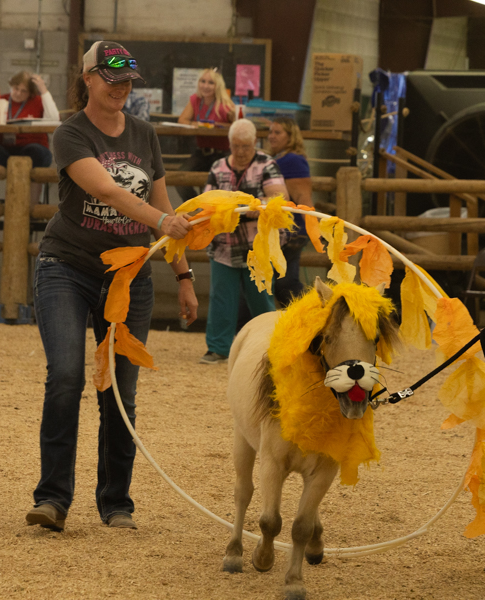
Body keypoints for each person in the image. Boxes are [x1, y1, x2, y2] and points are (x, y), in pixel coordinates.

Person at [25, 41, 198, 532]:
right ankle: (53, 499)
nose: (120, 88)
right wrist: (163, 220)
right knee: (66, 377)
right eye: (111, 79)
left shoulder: (145, 133)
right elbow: (108, 190)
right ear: (88, 80)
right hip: (67, 267)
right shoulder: (70, 134)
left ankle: (116, 502)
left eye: (126, 81)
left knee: (121, 391)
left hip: (130, 276)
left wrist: (183, 276)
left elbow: (162, 199)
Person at [200, 118, 288, 365]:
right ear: (229, 144)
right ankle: (218, 348)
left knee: (260, 296)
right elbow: (207, 201)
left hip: (257, 245)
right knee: (221, 297)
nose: (240, 152)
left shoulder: (267, 164)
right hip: (224, 245)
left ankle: (268, 348)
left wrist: (258, 206)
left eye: (245, 147)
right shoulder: (218, 167)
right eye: (236, 146)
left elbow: (279, 197)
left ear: (254, 144)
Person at [0, 71, 59, 204]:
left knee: (35, 153)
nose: (18, 93)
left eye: (24, 91)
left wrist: (43, 90)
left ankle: (31, 209)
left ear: (31, 93)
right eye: (16, 89)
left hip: (32, 147)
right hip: (3, 148)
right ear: (11, 87)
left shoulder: (38, 101)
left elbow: (55, 119)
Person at [266, 117, 314, 306]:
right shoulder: (277, 159)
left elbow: (303, 197)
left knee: (286, 283)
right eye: (270, 132)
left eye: (278, 132)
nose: (271, 136)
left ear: (290, 136)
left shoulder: (293, 161)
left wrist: (309, 228)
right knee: (282, 282)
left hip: (292, 231)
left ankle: (311, 315)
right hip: (279, 230)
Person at [176, 68, 236, 201]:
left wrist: (216, 126)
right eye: (203, 81)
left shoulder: (225, 104)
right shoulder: (195, 100)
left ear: (217, 86)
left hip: (222, 154)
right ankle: (196, 208)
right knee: (179, 179)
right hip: (202, 152)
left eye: (210, 83)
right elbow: (182, 119)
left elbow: (236, 125)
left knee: (213, 188)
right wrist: (198, 125)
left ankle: (209, 211)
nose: (205, 86)